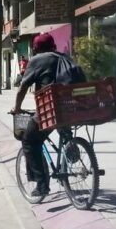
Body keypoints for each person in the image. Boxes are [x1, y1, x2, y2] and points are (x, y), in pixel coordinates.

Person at [11, 33, 70, 197]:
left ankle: (42, 184)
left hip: (50, 109)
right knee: (61, 124)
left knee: (29, 140)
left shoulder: (37, 60)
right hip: (72, 107)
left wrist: (17, 108)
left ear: (36, 48)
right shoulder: (64, 57)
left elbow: (23, 87)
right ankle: (71, 145)